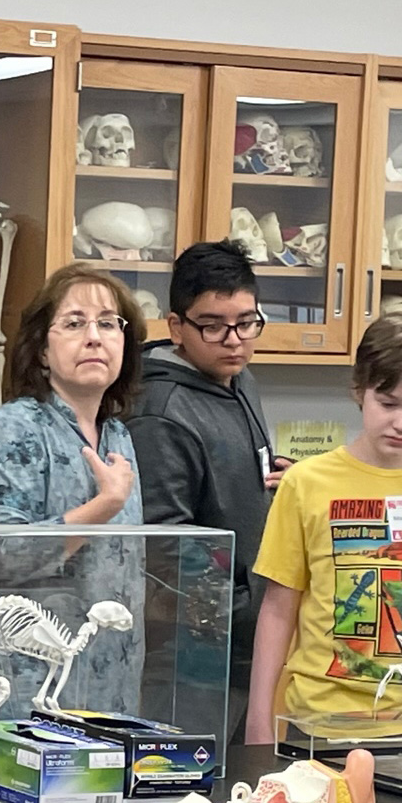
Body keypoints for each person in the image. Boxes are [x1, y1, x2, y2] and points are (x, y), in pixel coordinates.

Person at [246, 315, 402, 744]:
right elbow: (279, 608)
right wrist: (258, 721)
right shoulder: (306, 483)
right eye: (388, 402)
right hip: (322, 720)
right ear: (360, 390)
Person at [0, 263, 147, 723]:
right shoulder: (13, 428)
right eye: (74, 323)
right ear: (42, 351)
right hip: (18, 685)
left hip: (108, 681)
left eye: (108, 323)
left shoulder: (117, 435)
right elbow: (7, 555)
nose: (95, 337)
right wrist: (105, 506)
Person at [127, 241, 283, 740]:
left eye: (247, 322)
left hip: (246, 639)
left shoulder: (239, 379)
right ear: (176, 327)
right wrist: (243, 609)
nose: (234, 339)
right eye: (213, 325)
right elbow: (165, 545)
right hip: (191, 656)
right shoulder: (161, 409)